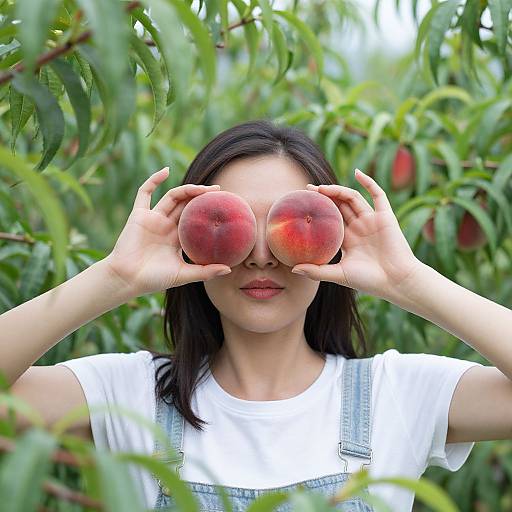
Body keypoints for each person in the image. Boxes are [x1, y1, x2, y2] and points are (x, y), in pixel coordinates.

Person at [0, 119, 493, 511]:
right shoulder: (130, 395)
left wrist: (409, 281)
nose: (260, 255)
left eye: (288, 222)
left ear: (334, 241)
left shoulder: (397, 394)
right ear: (189, 239)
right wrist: (116, 277)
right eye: (231, 224)